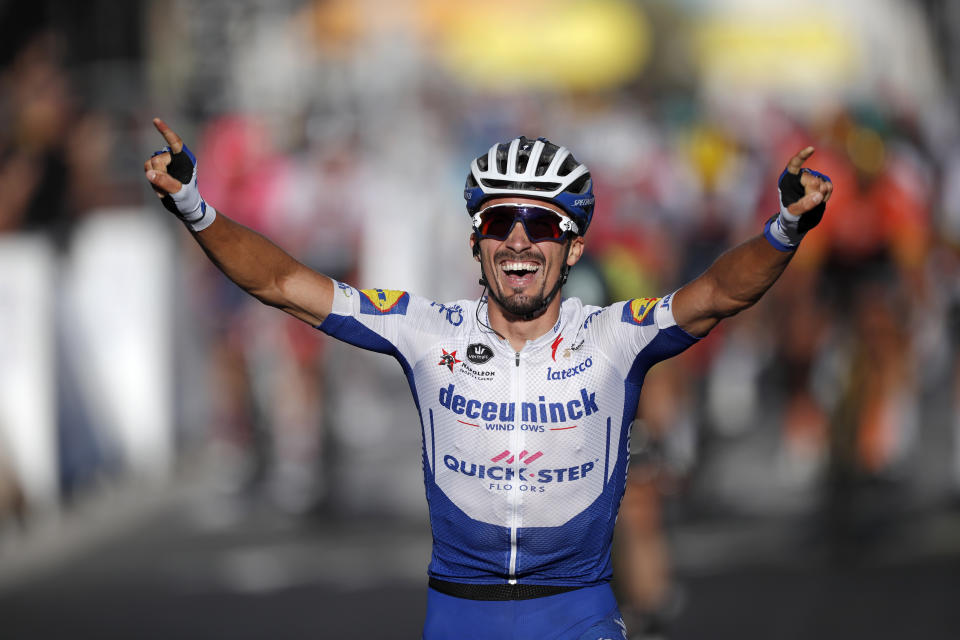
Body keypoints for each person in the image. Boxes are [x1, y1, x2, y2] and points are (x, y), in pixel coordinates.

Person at [144, 119, 832, 640]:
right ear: (476, 241)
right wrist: (196, 207)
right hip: (458, 617)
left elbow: (718, 293)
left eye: (542, 224)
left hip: (577, 617)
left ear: (575, 245)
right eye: (500, 222)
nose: (520, 241)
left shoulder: (614, 336)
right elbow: (283, 282)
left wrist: (785, 228)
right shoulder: (427, 330)